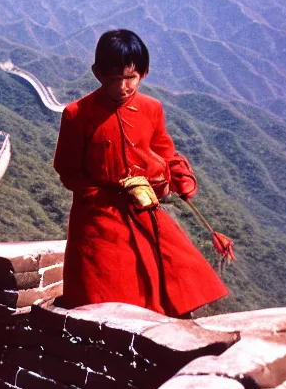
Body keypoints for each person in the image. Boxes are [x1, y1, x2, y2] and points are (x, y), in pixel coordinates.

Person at [53, 29, 230, 317]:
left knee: (167, 273)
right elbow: (67, 169)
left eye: (130, 77)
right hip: (97, 215)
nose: (123, 86)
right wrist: (102, 194)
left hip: (144, 208)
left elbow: (164, 151)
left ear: (144, 73)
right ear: (98, 73)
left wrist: (179, 178)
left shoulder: (152, 109)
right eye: (114, 78)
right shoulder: (77, 114)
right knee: (104, 288)